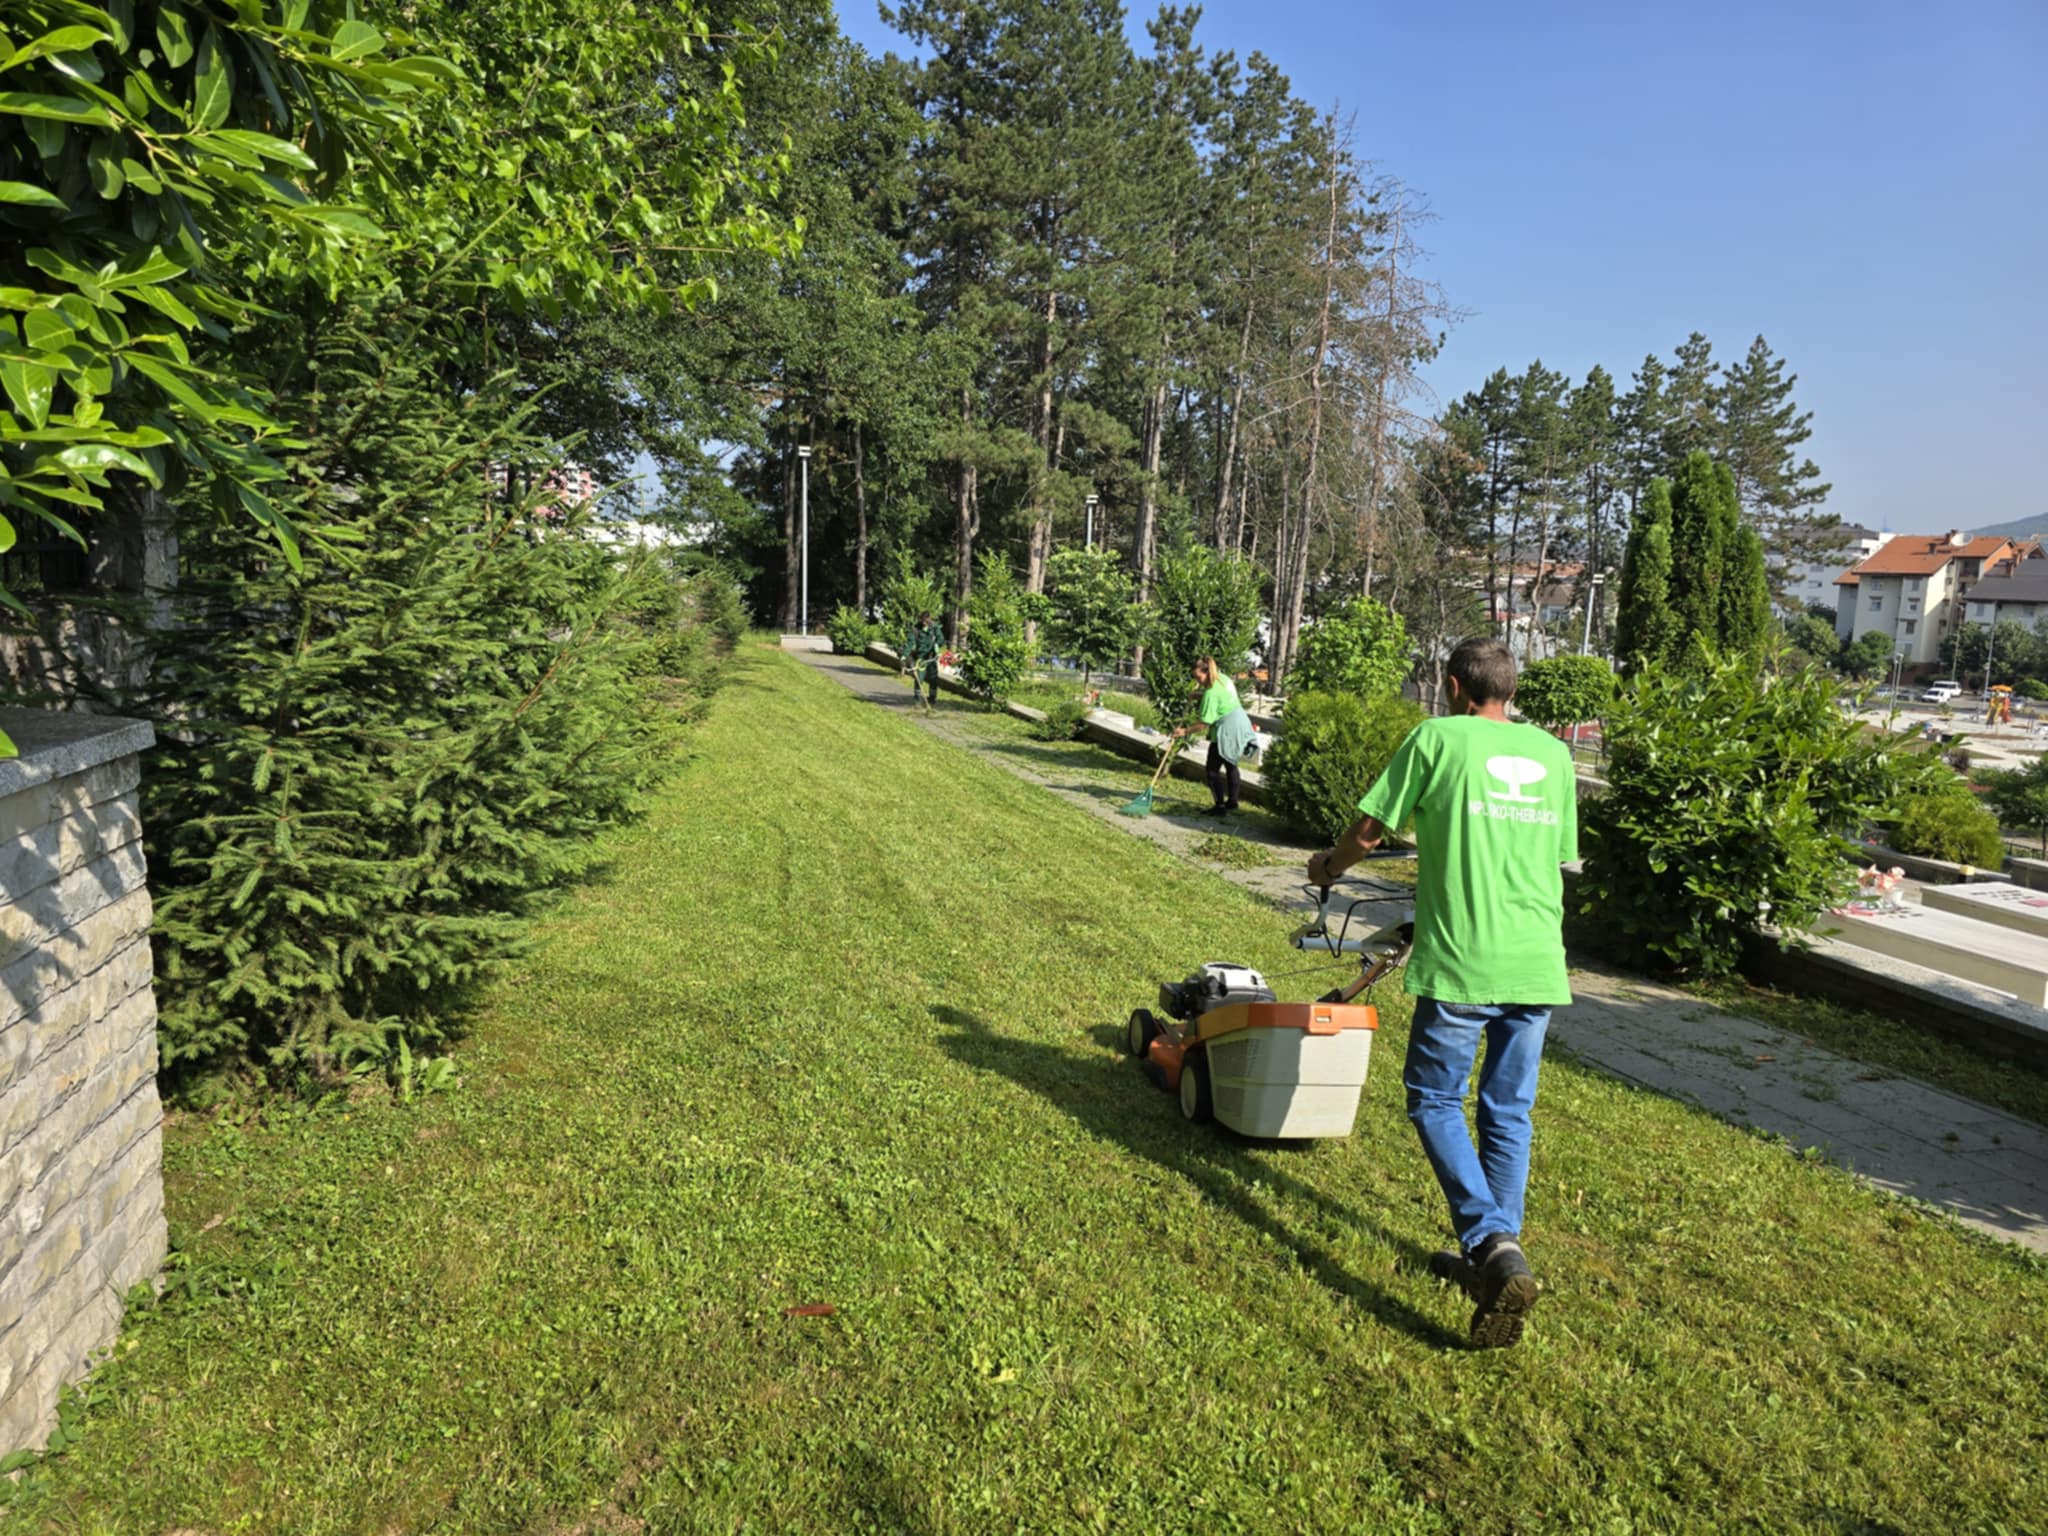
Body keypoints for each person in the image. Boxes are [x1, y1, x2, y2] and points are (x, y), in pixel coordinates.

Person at [1305, 637, 1576, 1349]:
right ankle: (1492, 1257)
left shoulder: (1435, 737)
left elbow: (1368, 831)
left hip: (1466, 961)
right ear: (1508, 692)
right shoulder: (1554, 755)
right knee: (1507, 1112)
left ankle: (1489, 1242)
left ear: (1454, 687)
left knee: (1432, 1099)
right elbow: (1550, 855)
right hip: (1539, 960)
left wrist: (1326, 867)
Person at [1173, 656, 1255, 817]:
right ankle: (1232, 802)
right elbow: (1220, 698)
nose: (1198, 681)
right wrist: (1198, 695)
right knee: (1231, 764)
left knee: (1212, 770)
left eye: (1198, 677)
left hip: (1226, 730)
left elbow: (1204, 723)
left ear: (1206, 672)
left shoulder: (1210, 694)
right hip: (1240, 723)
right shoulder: (1222, 678)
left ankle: (1219, 807)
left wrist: (1184, 731)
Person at [901, 611, 944, 714]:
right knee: (919, 679)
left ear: (929, 619)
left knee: (934, 680)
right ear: (920, 619)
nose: (924, 623)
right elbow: (910, 643)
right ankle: (917, 702)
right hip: (921, 660)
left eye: (926, 621)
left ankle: (932, 701)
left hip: (931, 658)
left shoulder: (934, 628)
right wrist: (904, 656)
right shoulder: (916, 629)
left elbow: (940, 638)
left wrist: (937, 645)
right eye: (922, 621)